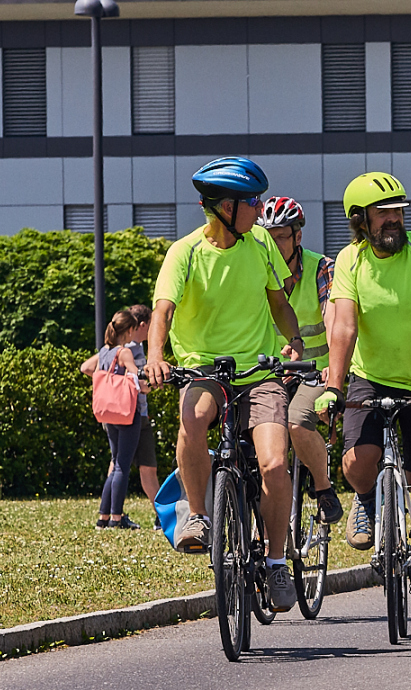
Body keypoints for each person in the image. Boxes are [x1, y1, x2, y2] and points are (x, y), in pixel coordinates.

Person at [144, 157, 303, 612]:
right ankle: (197, 516)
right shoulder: (185, 252)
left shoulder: (259, 246)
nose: (260, 208)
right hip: (203, 370)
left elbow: (279, 304)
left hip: (258, 373)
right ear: (225, 208)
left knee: (274, 464)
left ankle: (275, 562)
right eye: (253, 201)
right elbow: (162, 312)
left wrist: (292, 340)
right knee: (192, 419)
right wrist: (156, 358)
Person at [318, 172, 411, 622]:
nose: (394, 220)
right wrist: (334, 388)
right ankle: (365, 499)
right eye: (384, 213)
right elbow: (343, 327)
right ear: (360, 220)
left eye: (399, 211)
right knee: (359, 461)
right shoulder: (350, 260)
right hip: (370, 376)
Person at [258, 196, 343, 525]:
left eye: (281, 235)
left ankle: (323, 488)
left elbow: (335, 324)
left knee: (296, 422)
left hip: (316, 373)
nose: (274, 243)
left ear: (297, 236)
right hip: (269, 374)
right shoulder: (257, 268)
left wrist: (333, 375)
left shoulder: (322, 268)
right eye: (268, 236)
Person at [82, 309, 144, 530]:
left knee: (116, 462)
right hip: (127, 412)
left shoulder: (104, 351)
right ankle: (116, 517)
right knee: (122, 467)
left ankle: (103, 517)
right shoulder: (124, 352)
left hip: (109, 414)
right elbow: (137, 379)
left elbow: (86, 368)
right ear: (128, 330)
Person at [125, 304, 160, 522]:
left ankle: (110, 514)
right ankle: (161, 517)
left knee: (118, 465)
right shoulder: (134, 349)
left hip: (121, 413)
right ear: (143, 324)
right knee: (149, 468)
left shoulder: (117, 347)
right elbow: (141, 383)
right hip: (137, 413)